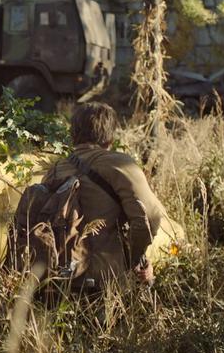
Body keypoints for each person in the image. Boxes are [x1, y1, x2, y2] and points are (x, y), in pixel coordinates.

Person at [41, 102, 163, 287]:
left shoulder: (55, 169)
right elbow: (149, 217)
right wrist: (135, 259)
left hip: (59, 279)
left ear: (73, 134)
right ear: (110, 137)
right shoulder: (121, 165)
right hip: (107, 279)